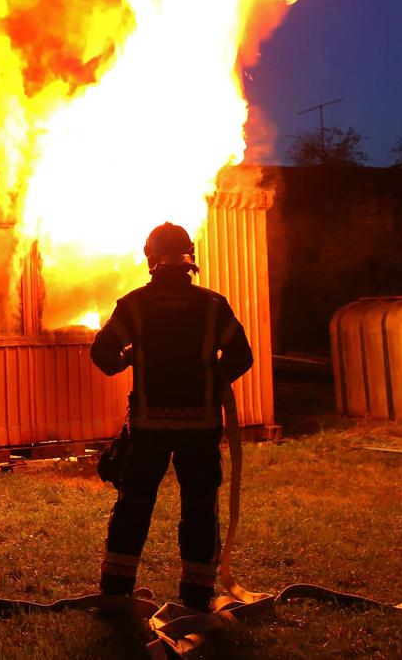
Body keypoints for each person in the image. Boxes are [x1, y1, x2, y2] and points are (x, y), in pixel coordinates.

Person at [90, 223, 253, 612]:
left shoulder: (134, 305)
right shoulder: (213, 306)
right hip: (200, 428)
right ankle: (196, 596)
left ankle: (116, 590)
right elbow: (241, 356)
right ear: (189, 258)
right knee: (199, 507)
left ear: (151, 259)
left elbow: (102, 354)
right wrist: (213, 381)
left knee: (134, 505)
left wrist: (127, 359)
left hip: (148, 429)